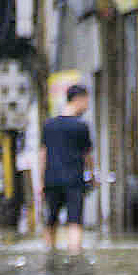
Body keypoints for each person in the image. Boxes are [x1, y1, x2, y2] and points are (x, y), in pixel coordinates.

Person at [38, 84, 95, 251]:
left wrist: (40, 181)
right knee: (75, 221)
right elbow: (87, 155)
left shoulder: (49, 125)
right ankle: (75, 255)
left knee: (51, 220)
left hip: (51, 180)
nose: (87, 105)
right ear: (78, 99)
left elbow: (43, 154)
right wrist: (91, 174)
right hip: (74, 180)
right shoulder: (81, 126)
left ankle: (49, 254)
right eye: (86, 100)